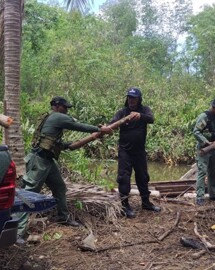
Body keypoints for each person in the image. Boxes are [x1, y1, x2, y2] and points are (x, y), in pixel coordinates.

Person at [15, 96, 113, 243]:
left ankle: (63, 217)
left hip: (47, 161)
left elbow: (60, 144)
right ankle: (16, 232)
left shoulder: (52, 121)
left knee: (60, 187)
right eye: (65, 107)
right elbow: (79, 126)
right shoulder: (57, 117)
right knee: (28, 195)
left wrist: (89, 138)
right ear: (57, 106)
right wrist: (100, 129)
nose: (66, 110)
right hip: (39, 161)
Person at [110, 87, 161, 218]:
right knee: (124, 177)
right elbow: (111, 124)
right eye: (129, 97)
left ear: (139, 99)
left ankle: (146, 202)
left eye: (134, 98)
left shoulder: (144, 110)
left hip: (139, 151)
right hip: (125, 151)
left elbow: (151, 119)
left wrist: (140, 116)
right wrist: (105, 127)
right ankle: (125, 205)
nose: (131, 100)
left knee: (143, 177)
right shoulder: (122, 112)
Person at [192, 98, 215, 206]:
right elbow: (196, 132)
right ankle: (200, 197)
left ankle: (214, 195)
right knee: (202, 172)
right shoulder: (204, 117)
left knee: (213, 172)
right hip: (204, 149)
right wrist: (206, 142)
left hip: (214, 147)